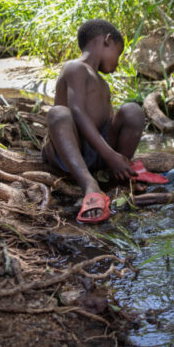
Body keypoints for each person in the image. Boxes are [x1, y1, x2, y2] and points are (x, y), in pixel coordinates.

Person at [42, 19, 145, 223]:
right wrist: (110, 154)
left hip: (99, 155)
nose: (117, 63)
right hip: (71, 152)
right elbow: (77, 112)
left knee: (133, 110)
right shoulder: (75, 68)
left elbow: (108, 123)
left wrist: (118, 159)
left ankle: (119, 177)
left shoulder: (103, 84)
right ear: (107, 41)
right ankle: (89, 185)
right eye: (119, 53)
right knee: (58, 113)